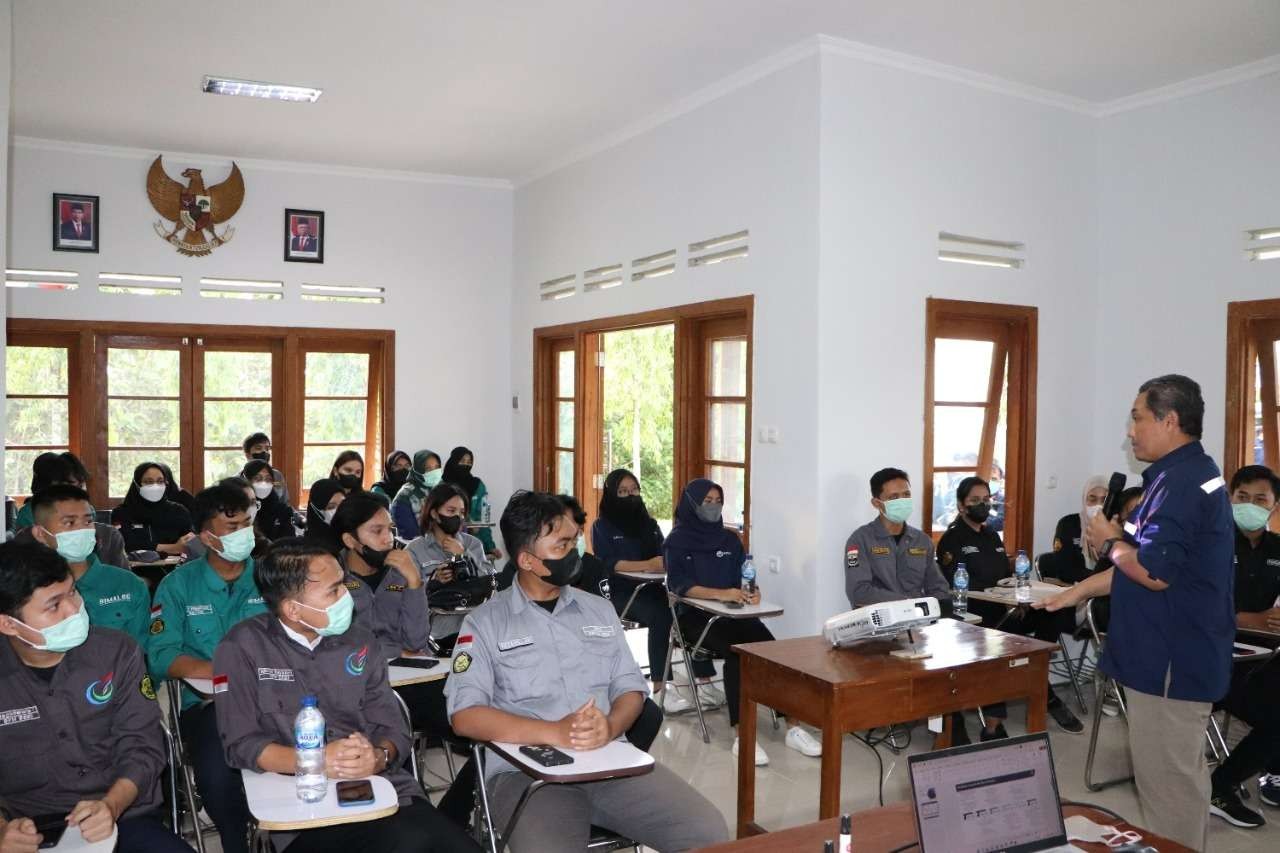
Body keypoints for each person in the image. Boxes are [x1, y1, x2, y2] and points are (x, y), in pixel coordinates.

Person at [445, 490, 729, 852]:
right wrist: (554, 733)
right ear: (528, 560)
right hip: (529, 776)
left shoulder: (598, 610)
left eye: (573, 541)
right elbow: (465, 717)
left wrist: (611, 725)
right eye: (562, 545)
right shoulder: (484, 624)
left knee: (708, 831)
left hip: (609, 762)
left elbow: (631, 687)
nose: (575, 553)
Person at [1037, 375, 1234, 851]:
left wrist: (1107, 540)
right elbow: (1139, 561)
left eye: (1137, 417)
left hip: (1171, 661)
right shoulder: (1182, 474)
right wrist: (1078, 591)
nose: (1130, 430)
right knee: (1176, 782)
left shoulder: (1182, 484)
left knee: (1170, 789)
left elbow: (1151, 570)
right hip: (1175, 651)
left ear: (1170, 421)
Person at [212, 540, 480, 853]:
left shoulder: (360, 641)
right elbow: (241, 746)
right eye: (334, 590)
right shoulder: (241, 648)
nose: (347, 597)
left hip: (381, 789)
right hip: (300, 806)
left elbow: (393, 727)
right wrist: (316, 761)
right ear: (293, 609)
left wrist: (378, 756)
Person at [0, 542, 192, 853]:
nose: (75, 609)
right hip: (25, 828)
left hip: (120, 814)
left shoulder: (117, 652)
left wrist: (111, 806)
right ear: (8, 623)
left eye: (73, 592)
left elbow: (143, 745)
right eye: (54, 605)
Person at [665, 477, 820, 765]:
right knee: (739, 653)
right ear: (692, 504)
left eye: (717, 501)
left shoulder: (729, 539)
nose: (713, 507)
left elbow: (744, 578)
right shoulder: (677, 540)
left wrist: (752, 593)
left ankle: (794, 727)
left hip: (734, 615)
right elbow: (678, 585)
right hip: (696, 619)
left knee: (774, 653)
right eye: (706, 502)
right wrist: (720, 594)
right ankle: (743, 734)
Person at [146, 483, 265, 853]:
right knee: (217, 775)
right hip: (209, 705)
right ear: (205, 536)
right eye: (232, 527)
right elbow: (161, 657)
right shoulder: (178, 585)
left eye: (247, 523)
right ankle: (236, 844)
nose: (243, 533)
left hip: (277, 696)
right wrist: (221, 669)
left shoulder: (271, 576)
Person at [937, 476, 1083, 739]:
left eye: (986, 499)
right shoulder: (952, 539)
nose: (982, 505)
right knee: (998, 645)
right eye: (975, 501)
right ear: (961, 506)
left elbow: (1005, 573)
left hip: (1007, 607)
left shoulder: (992, 534)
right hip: (977, 615)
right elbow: (957, 584)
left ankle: (1039, 658)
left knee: (1054, 609)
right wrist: (1005, 598)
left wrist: (1020, 598)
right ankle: (1001, 719)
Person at [1202, 464, 1280, 827]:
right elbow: (1195, 604)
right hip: (1212, 657)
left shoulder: (1278, 548)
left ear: (1274, 506)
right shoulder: (1211, 542)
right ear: (1229, 499)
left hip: (1264, 655)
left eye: (1259, 499)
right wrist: (1250, 620)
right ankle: (1221, 785)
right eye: (1242, 497)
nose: (1250, 505)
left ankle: (1270, 771)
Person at [591, 469, 700, 712]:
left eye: (634, 490)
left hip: (653, 588)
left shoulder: (649, 524)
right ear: (611, 495)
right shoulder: (602, 526)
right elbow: (608, 563)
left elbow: (664, 553)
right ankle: (662, 687)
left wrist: (663, 563)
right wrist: (647, 566)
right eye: (622, 491)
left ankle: (703, 681)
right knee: (663, 614)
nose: (630, 496)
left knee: (689, 609)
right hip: (620, 593)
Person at [27, 485, 151, 649]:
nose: (82, 530)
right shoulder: (25, 588)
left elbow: (140, 653)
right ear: (41, 534)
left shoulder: (129, 584)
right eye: (69, 523)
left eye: (87, 521)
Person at [844, 467, 951, 610]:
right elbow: (859, 592)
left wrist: (935, 608)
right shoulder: (860, 540)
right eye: (894, 497)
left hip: (919, 620)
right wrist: (909, 603)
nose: (902, 501)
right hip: (880, 624)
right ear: (876, 503)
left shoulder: (922, 541)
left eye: (906, 495)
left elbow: (939, 588)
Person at [406, 483, 494, 644]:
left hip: (474, 632)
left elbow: (491, 583)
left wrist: (464, 556)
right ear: (434, 513)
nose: (458, 517)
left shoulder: (473, 544)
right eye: (451, 511)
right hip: (434, 634)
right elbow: (404, 594)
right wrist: (433, 581)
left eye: (461, 512)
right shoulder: (415, 549)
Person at [12, 453, 129, 569]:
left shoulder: (108, 534)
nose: (75, 492)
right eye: (69, 522)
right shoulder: (29, 514)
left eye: (80, 486)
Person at [110, 462, 195, 556]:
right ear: (137, 484)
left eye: (160, 481)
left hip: (176, 568)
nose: (155, 486)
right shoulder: (121, 513)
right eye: (149, 482)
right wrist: (173, 548)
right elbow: (125, 544)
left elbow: (190, 542)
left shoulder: (179, 511)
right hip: (134, 569)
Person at [442, 446, 500, 559]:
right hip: (448, 545)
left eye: (469, 462)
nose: (466, 465)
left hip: (475, 544)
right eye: (462, 461)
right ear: (454, 461)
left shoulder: (477, 486)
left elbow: (483, 518)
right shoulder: (442, 487)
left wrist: (490, 546)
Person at [390, 450, 443, 539]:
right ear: (418, 470)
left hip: (449, 545)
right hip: (418, 548)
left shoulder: (444, 490)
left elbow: (459, 524)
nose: (434, 472)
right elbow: (410, 534)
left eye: (437, 467)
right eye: (428, 468)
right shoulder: (404, 496)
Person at [242, 460, 295, 541]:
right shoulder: (240, 510)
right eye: (257, 478)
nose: (264, 483)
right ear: (247, 481)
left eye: (268, 479)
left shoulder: (283, 510)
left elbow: (289, 542)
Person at [304, 479, 347, 557]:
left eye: (343, 504)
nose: (339, 510)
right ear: (316, 511)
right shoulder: (307, 550)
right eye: (331, 507)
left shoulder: (352, 536)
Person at [243, 431, 289, 504]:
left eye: (267, 449)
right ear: (248, 455)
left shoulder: (277, 476)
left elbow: (285, 502)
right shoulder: (238, 479)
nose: (264, 452)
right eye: (258, 448)